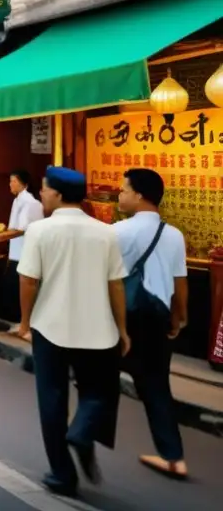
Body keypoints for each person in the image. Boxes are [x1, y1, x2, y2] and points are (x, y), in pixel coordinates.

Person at [17, 166, 129, 497]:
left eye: (44, 189)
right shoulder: (106, 232)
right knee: (100, 392)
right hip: (98, 330)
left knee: (51, 401)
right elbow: (117, 285)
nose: (41, 194)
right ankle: (81, 431)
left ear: (59, 194)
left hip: (49, 329)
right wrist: (122, 328)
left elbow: (27, 280)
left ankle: (62, 475)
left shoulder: (39, 230)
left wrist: (25, 322)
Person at [115, 168, 188, 479]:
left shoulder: (118, 232)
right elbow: (180, 283)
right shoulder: (173, 235)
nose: (120, 195)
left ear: (139, 195)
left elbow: (108, 280)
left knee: (98, 378)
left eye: (123, 190)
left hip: (123, 317)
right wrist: (179, 317)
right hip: (157, 318)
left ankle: (81, 437)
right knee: (157, 386)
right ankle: (174, 457)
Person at [1, 169, 45, 323]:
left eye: (13, 181)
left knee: (18, 284)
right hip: (15, 250)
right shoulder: (18, 200)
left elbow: (20, 229)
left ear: (23, 184)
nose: (10, 184)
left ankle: (22, 320)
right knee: (12, 285)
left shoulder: (30, 203)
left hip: (24, 250)